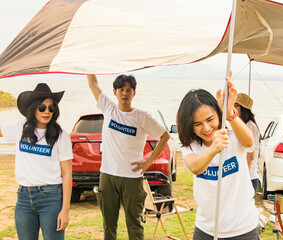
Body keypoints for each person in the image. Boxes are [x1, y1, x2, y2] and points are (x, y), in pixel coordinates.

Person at [86, 74, 170, 240]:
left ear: (134, 93)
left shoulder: (141, 117)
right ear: (115, 92)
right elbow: (93, 83)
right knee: (109, 225)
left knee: (134, 224)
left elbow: (165, 136)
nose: (125, 93)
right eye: (121, 90)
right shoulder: (108, 108)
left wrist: (149, 161)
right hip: (108, 177)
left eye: (128, 90)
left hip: (132, 178)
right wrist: (88, 61)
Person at [177, 75, 260, 239]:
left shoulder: (233, 134)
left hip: (243, 229)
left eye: (210, 119)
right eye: (197, 124)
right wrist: (213, 148)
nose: (206, 128)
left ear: (218, 114)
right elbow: (195, 167)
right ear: (189, 125)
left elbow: (249, 142)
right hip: (206, 229)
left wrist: (230, 112)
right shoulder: (190, 145)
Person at [0, 83, 72, 240]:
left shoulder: (61, 136)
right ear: (33, 108)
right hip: (24, 198)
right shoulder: (20, 129)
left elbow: (67, 173)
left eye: (51, 108)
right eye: (42, 107)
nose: (47, 112)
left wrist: (65, 209)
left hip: (51, 198)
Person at [234, 93, 261, 192]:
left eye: (236, 105)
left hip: (248, 177)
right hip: (241, 175)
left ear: (244, 108)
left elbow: (250, 155)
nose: (233, 108)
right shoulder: (242, 125)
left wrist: (244, 176)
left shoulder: (250, 126)